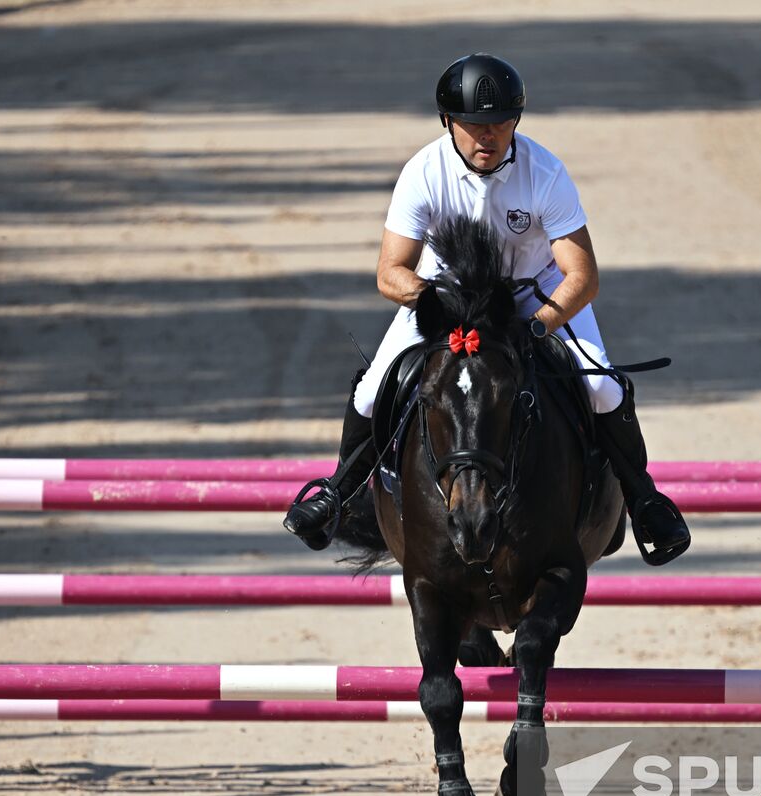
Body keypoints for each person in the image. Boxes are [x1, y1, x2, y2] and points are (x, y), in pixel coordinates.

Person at [283, 52, 690, 565]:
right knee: (372, 389)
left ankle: (644, 501)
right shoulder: (422, 172)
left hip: (532, 296)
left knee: (600, 385)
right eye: (474, 124)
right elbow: (390, 272)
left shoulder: (545, 172)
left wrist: (540, 328)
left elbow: (582, 277)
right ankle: (338, 492)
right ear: (449, 122)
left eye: (499, 123)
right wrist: (430, 301)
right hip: (446, 296)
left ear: (515, 120)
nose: (487, 136)